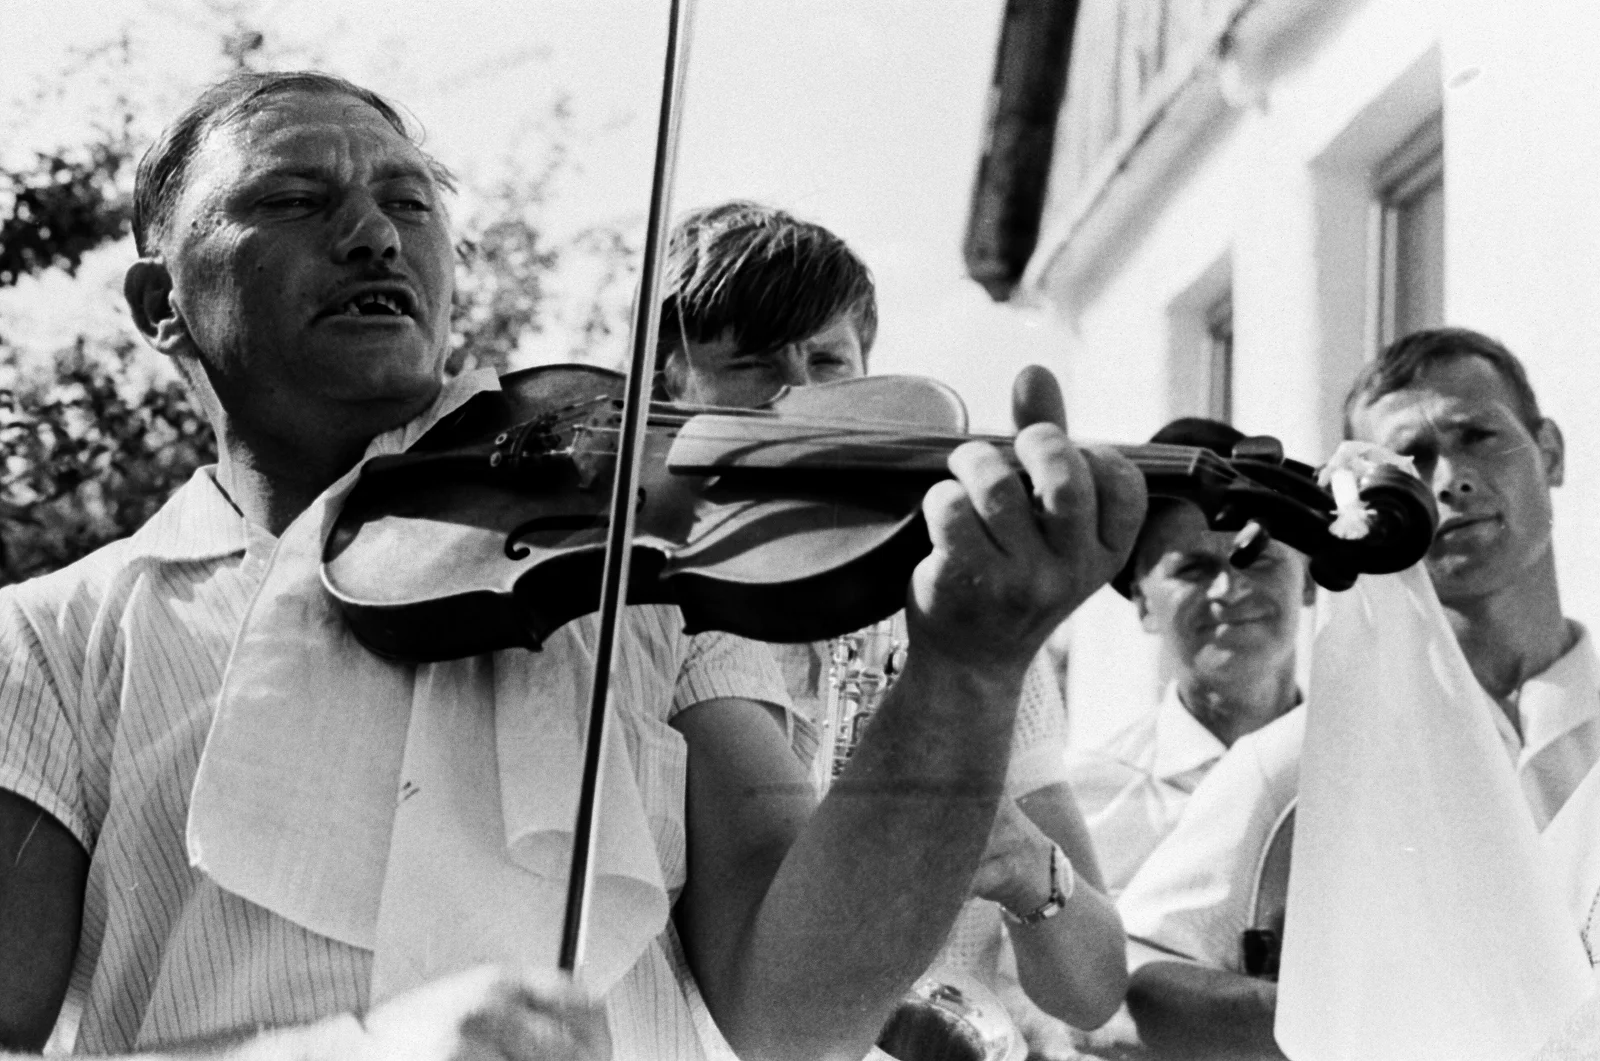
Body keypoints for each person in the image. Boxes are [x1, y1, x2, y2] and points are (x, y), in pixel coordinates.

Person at [0, 74, 1147, 1061]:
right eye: (295, 198)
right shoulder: (53, 637)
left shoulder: (643, 570)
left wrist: (967, 668)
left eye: (409, 201)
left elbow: (793, 1012)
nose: (375, 235)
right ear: (160, 303)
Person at [654, 199, 1128, 1036]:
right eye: (755, 363)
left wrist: (1026, 865)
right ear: (670, 386)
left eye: (830, 361)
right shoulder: (655, 613)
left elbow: (1093, 991)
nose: (806, 396)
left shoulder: (960, 603)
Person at [1118, 327, 1599, 1060]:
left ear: (1551, 451)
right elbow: (1132, 978)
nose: (1450, 479)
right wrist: (1357, 1026)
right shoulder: (1302, 755)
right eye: (1412, 461)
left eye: (1479, 436)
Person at [1065, 418, 1312, 897]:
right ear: (1142, 602)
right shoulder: (1088, 804)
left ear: (1307, 581)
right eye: (1194, 569)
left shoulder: (1367, 766)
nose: (1229, 590)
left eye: (1256, 559)